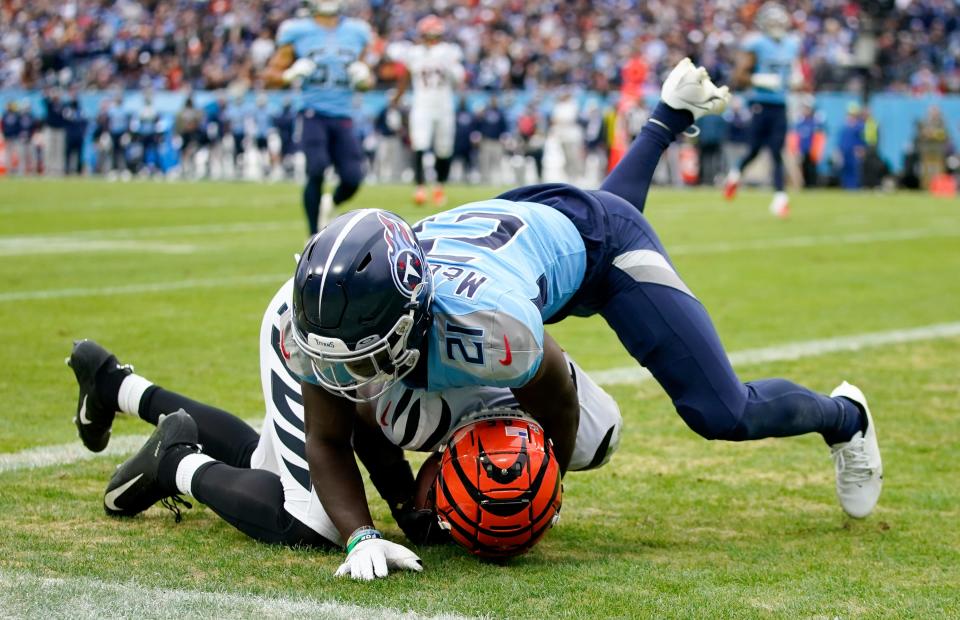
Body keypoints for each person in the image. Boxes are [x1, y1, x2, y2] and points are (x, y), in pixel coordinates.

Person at [289, 58, 883, 580]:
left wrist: (545, 482)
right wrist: (362, 534)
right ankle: (667, 117)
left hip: (597, 251)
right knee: (586, 221)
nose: (353, 370)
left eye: (366, 352)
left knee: (721, 411)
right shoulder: (331, 312)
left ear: (412, 308)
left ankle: (845, 417)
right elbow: (326, 435)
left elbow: (555, 394)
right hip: (524, 230)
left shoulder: (491, 327)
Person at [65, 276, 621, 579]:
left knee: (271, 464)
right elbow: (341, 432)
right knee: (309, 520)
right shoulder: (420, 406)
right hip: (324, 333)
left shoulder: (588, 429)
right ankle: (176, 463)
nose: (440, 519)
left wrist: (408, 504)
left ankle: (115, 386)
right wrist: (385, 516)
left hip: (378, 327)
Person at [264, 0, 373, 234]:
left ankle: (330, 203)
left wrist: (364, 79)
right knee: (316, 168)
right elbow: (269, 75)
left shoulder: (357, 31)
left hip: (344, 114)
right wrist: (289, 75)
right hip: (312, 112)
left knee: (353, 177)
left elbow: (368, 79)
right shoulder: (297, 30)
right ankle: (313, 234)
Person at [723, 2, 802, 217]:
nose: (776, 25)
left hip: (781, 103)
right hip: (760, 102)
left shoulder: (792, 44)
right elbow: (738, 76)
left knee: (776, 150)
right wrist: (759, 79)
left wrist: (797, 77)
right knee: (755, 149)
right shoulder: (756, 45)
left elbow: (795, 70)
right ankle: (735, 174)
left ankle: (780, 198)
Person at [389, 15, 465, 207]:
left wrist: (452, 68)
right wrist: (396, 99)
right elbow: (405, 78)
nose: (431, 39)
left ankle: (439, 186)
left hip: (444, 105)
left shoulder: (449, 52)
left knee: (444, 149)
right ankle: (420, 187)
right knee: (420, 145)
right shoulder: (414, 53)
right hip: (422, 104)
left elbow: (459, 78)